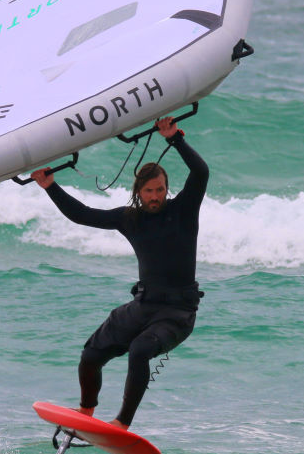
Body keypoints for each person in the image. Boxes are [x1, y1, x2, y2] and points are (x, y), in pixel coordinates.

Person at [31, 116, 208, 429]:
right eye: (150, 191)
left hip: (177, 312)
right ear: (138, 191)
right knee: (90, 355)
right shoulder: (130, 219)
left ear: (167, 189)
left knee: (140, 350)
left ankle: (121, 423)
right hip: (143, 305)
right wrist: (50, 186)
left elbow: (201, 172)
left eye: (160, 190)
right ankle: (86, 411)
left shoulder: (183, 210)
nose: (156, 196)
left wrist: (175, 139)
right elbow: (82, 215)